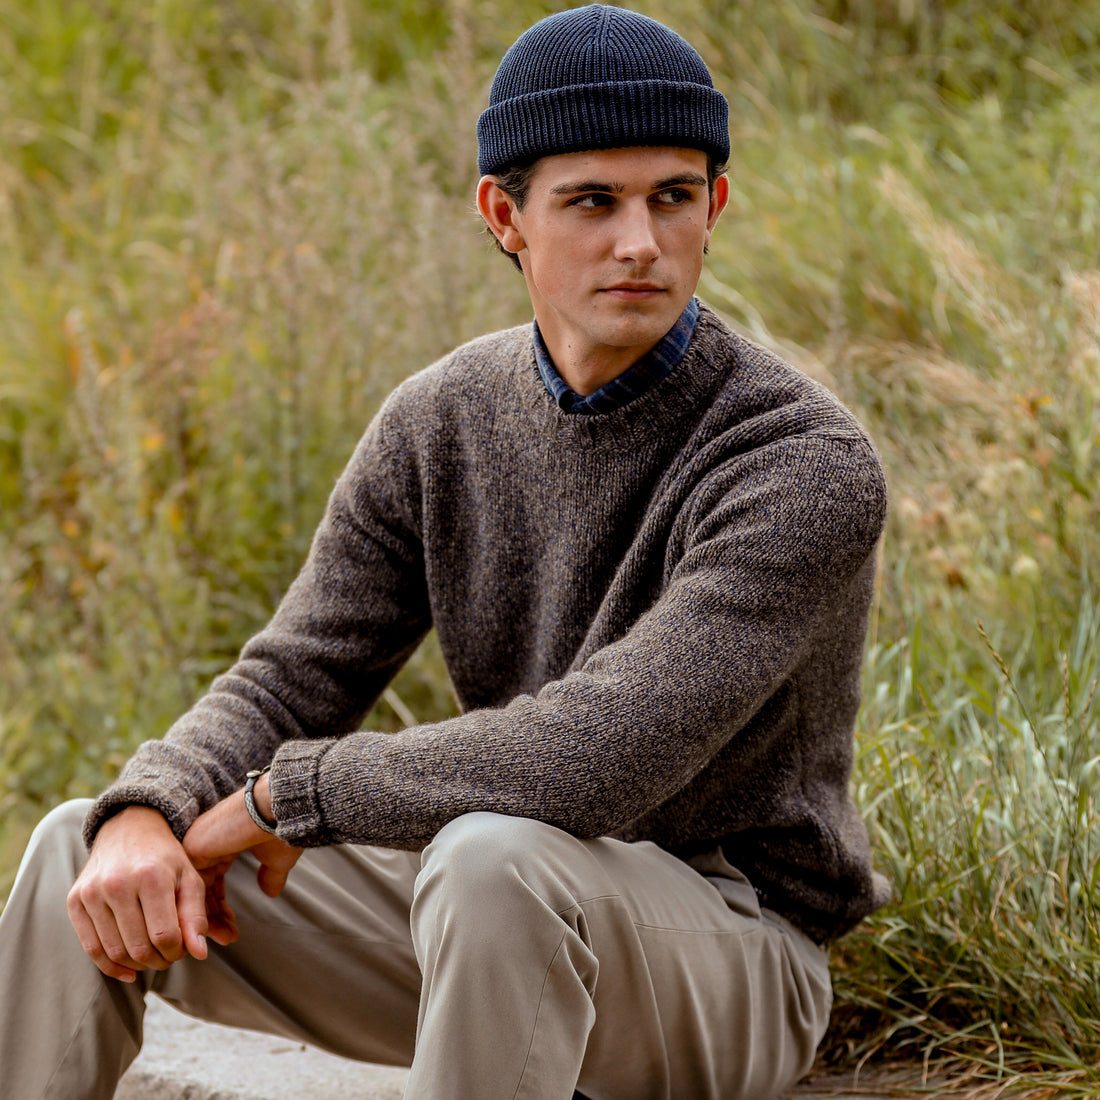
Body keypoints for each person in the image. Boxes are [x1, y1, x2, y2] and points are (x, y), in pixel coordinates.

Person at [0, 6, 890, 1099]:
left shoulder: (800, 461)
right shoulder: (441, 419)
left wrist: (295, 794)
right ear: (502, 214)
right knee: (73, 855)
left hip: (729, 951)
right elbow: (295, 673)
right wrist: (154, 802)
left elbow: (601, 753)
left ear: (715, 204)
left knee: (490, 859)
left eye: (672, 196)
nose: (638, 243)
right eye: (590, 201)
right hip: (486, 922)